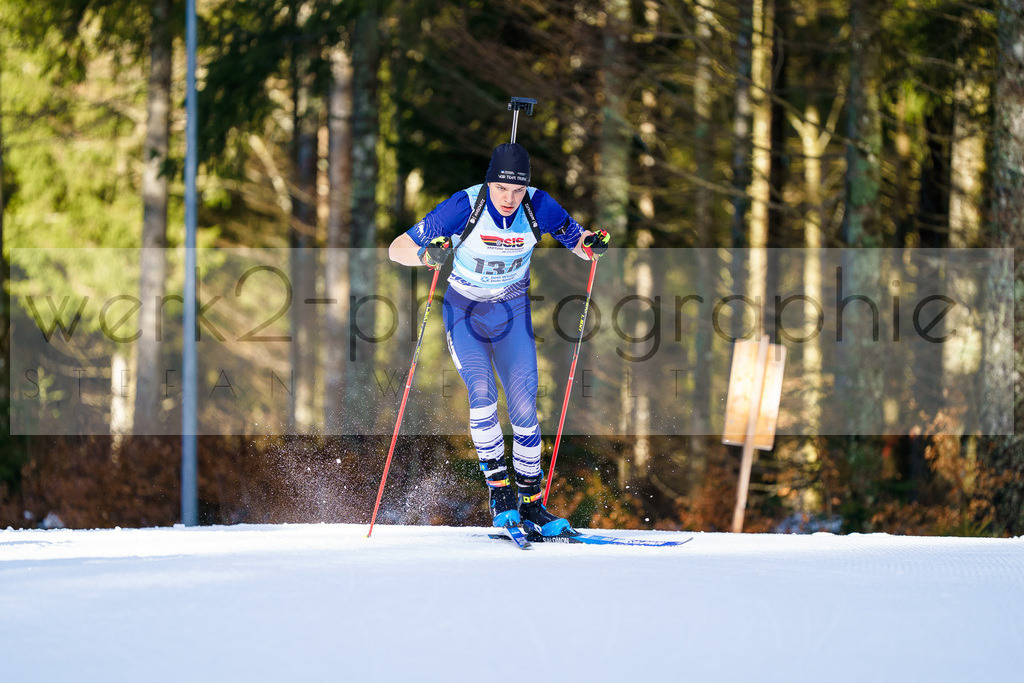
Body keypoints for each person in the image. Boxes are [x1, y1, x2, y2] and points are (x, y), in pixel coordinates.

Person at [388, 142, 609, 537]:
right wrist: (426, 256)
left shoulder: (540, 206)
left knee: (525, 408)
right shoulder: (464, 206)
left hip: (511, 314)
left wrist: (590, 244)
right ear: (489, 182)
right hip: (466, 313)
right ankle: (501, 495)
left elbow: (576, 240)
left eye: (517, 190)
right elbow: (397, 248)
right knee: (483, 394)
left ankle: (532, 505)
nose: (508, 199)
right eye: (501, 189)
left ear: (527, 188)